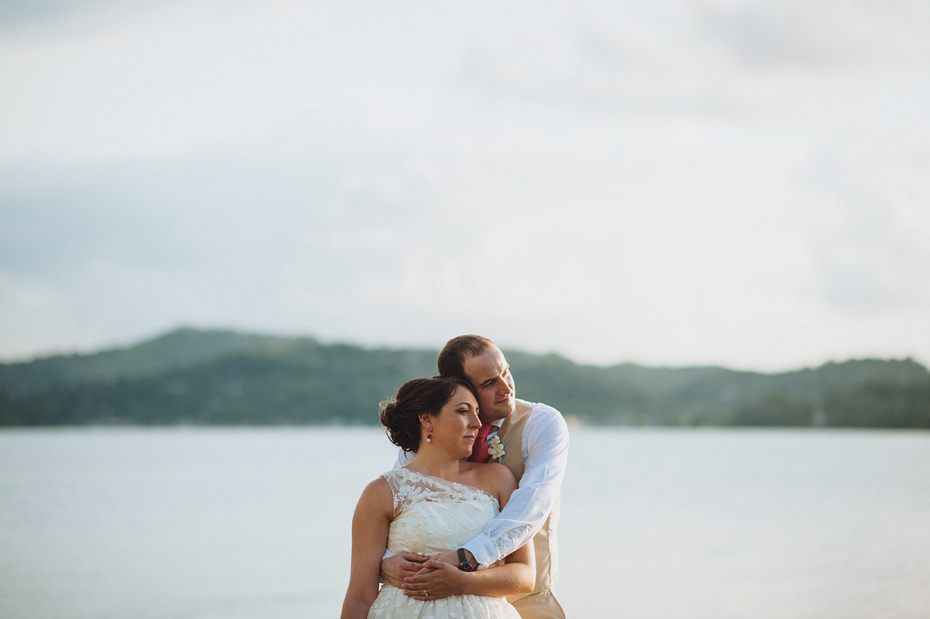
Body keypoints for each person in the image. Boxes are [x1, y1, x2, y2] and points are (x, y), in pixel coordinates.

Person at [382, 335, 570, 619]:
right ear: (461, 388)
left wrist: (466, 558)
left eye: (505, 372)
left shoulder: (542, 424)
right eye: (489, 383)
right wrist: (383, 562)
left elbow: (530, 508)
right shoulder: (430, 437)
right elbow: (402, 501)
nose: (506, 388)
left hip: (527, 597)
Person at [341, 376, 535, 619]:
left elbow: (525, 576)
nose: (477, 423)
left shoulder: (499, 479)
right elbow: (359, 596)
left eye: (476, 413)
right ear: (427, 420)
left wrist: (462, 582)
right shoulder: (382, 491)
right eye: (463, 411)